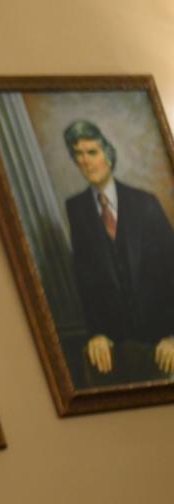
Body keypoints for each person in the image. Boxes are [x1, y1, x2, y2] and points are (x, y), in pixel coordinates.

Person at [62, 119, 174, 381]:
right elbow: (86, 281)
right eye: (78, 154)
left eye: (92, 152)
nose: (85, 161)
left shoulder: (144, 203)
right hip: (116, 349)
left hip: (164, 342)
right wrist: (97, 334)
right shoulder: (76, 209)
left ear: (108, 155)